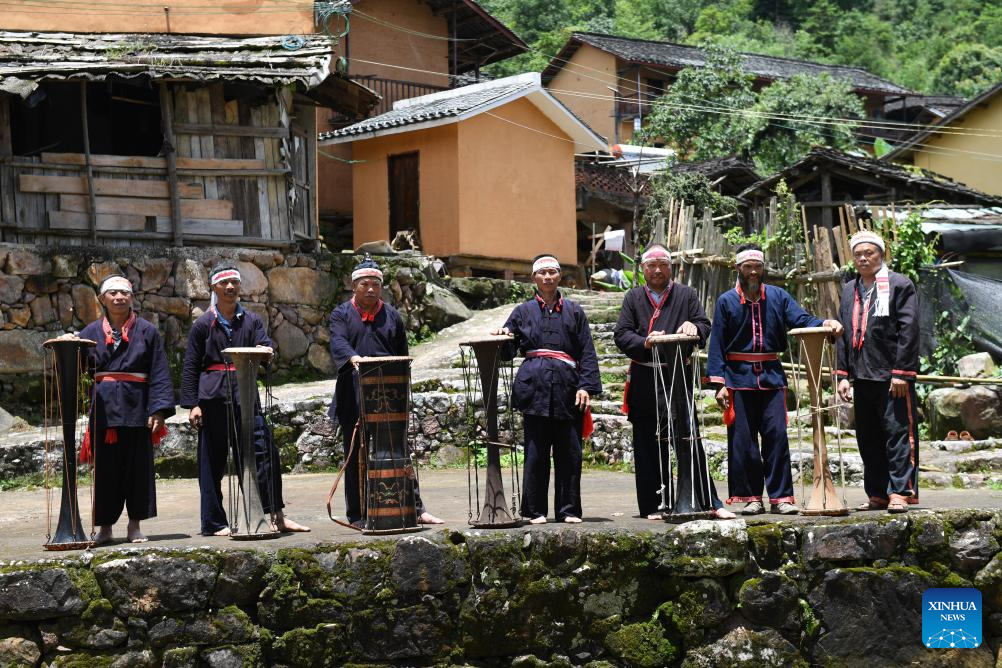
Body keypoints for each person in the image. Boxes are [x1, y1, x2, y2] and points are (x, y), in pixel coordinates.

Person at [707, 243, 844, 516]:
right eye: (748, 267)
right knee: (743, 441)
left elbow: (800, 318)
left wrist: (824, 323)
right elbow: (717, 344)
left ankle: (781, 498)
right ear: (738, 269)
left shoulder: (778, 297)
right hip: (738, 378)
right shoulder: (726, 302)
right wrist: (719, 383)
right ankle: (752, 497)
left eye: (758, 267)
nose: (754, 272)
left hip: (771, 377)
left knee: (777, 437)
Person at [181, 264, 309, 536]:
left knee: (264, 454)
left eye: (234, 283)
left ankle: (275, 514)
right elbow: (191, 365)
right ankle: (214, 522)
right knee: (211, 461)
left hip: (246, 395)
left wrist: (267, 351)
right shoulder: (203, 324)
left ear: (240, 287)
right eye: (224, 283)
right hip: (213, 399)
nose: (230, 288)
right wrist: (193, 404)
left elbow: (266, 345)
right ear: (214, 288)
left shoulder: (251, 321)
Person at [613, 244, 735, 520]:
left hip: (677, 377)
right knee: (647, 443)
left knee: (688, 437)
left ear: (671, 267)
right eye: (651, 265)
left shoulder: (686, 295)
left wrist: (694, 327)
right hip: (645, 378)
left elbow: (704, 324)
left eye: (662, 264)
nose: (657, 270)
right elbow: (622, 334)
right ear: (643, 270)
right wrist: (645, 341)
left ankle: (705, 500)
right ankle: (654, 506)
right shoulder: (633, 298)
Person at [327, 257, 443, 527]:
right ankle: (357, 514)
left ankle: (413, 507)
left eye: (375, 284)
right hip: (353, 392)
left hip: (388, 394)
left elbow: (401, 352)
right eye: (365, 284)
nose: (370, 289)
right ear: (354, 286)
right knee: (354, 453)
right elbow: (339, 342)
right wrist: (354, 359)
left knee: (398, 450)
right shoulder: (341, 314)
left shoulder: (391, 314)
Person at [492, 254, 601, 524]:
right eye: (542, 273)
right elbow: (508, 351)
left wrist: (586, 385)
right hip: (534, 389)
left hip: (568, 389)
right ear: (534, 278)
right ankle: (534, 510)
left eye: (553, 272)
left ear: (559, 276)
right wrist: (501, 337)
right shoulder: (522, 311)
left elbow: (587, 350)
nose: (548, 277)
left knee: (570, 454)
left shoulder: (574, 311)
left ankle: (568, 510)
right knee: (535, 453)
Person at [79, 275, 174, 544]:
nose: (119, 297)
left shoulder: (147, 331)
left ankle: (135, 526)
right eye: (113, 293)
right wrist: (68, 345)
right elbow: (75, 367)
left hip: (137, 409)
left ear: (131, 297)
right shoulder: (88, 334)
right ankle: (106, 528)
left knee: (138, 470)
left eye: (124, 293)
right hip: (105, 412)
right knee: (105, 472)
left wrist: (158, 410)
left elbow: (159, 372)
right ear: (102, 299)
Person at [836, 230, 920, 513]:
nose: (862, 258)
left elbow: (909, 330)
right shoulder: (850, 288)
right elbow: (845, 333)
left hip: (890, 376)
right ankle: (877, 493)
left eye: (868, 253)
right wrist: (843, 375)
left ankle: (900, 491)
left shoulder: (899, 285)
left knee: (897, 434)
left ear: (881, 255)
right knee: (868, 439)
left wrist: (901, 372)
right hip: (862, 375)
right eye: (858, 254)